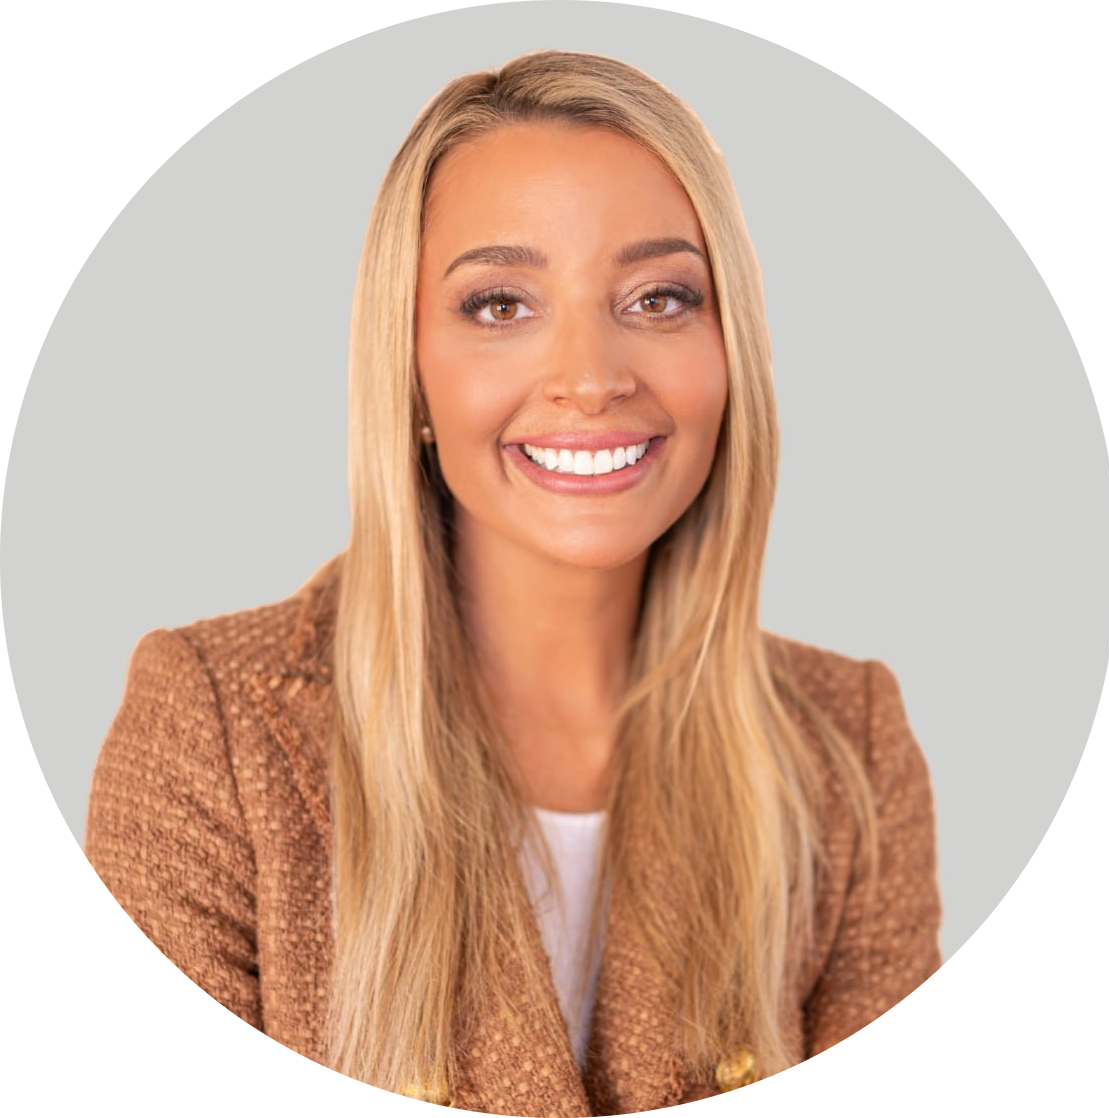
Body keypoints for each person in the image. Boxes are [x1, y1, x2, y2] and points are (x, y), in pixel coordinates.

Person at [85, 50, 941, 1113]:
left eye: (660, 295)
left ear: (731, 352)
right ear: (409, 368)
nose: (589, 376)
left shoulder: (848, 748)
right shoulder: (210, 722)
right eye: (499, 304)